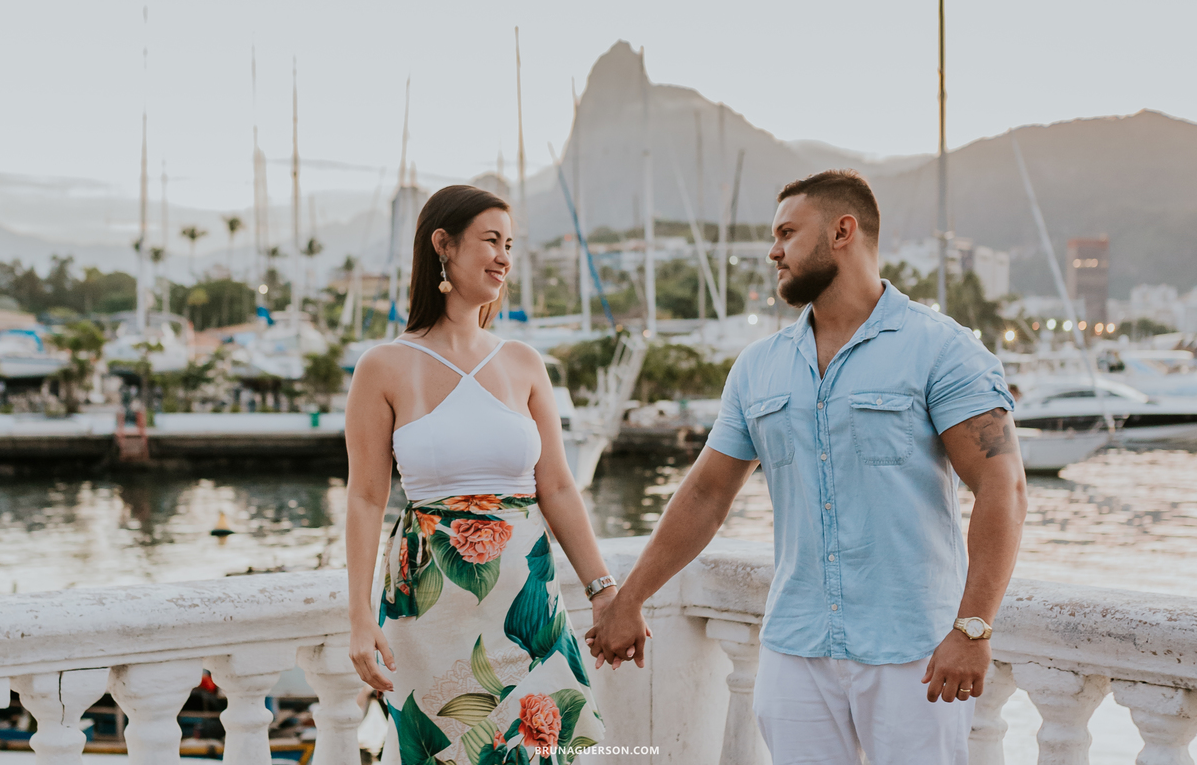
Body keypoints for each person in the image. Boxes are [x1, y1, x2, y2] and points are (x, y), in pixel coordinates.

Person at [586, 170, 1027, 764]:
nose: (774, 251)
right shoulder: (758, 367)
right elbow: (707, 494)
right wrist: (631, 597)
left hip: (913, 651)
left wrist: (973, 627)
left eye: (787, 233)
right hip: (796, 646)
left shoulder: (942, 349)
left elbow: (1002, 487)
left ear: (843, 231)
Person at [345, 185, 610, 764]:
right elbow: (365, 497)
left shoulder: (523, 363)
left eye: (510, 245)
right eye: (491, 241)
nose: (504, 257)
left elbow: (558, 487)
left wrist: (603, 590)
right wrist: (359, 616)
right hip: (429, 613)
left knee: (544, 750)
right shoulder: (382, 367)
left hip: (529, 611)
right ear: (443, 245)